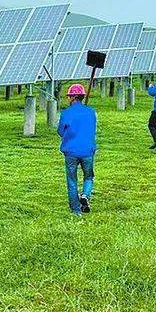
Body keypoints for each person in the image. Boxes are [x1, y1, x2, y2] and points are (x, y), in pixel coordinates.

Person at [57, 83, 97, 216]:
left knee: (72, 180)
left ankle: (76, 210)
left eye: (69, 96)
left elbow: (61, 131)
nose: (68, 99)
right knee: (89, 176)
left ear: (73, 97)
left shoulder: (66, 113)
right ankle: (85, 195)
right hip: (87, 150)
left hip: (71, 152)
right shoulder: (91, 112)